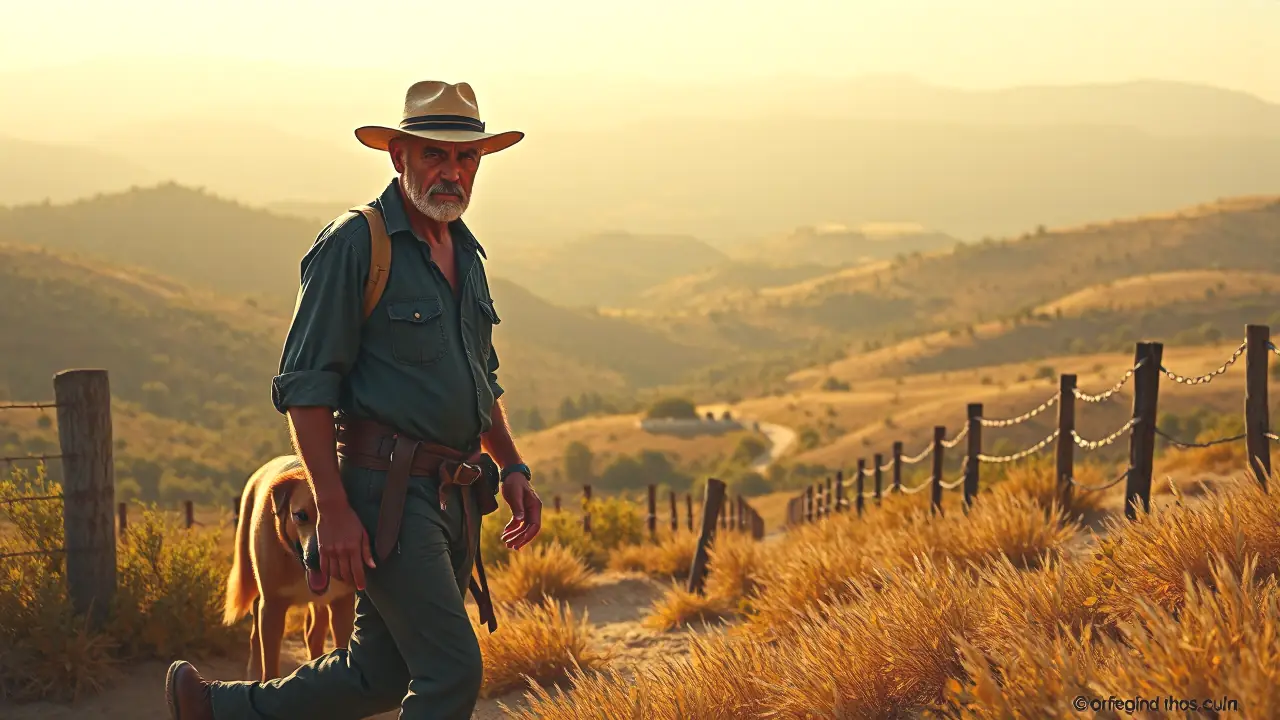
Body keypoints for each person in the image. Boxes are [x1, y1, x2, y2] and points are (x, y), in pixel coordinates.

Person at [165, 80, 542, 720]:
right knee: (451, 670)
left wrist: (511, 467)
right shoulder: (354, 245)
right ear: (398, 156)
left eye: (465, 158)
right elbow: (306, 387)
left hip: (454, 495)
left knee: (377, 675)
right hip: (385, 494)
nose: (451, 172)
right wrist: (333, 508)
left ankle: (211, 710)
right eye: (434, 155)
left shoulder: (466, 252)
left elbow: (483, 379)